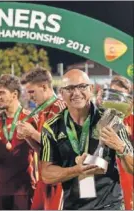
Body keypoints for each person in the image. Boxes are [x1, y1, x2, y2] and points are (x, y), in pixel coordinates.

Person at [40, 69, 133, 210]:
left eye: (82, 86)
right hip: (74, 206)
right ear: (61, 93)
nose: (76, 93)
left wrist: (120, 147)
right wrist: (76, 170)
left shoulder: (110, 118)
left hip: (109, 204)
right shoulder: (51, 127)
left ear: (91, 89)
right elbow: (46, 174)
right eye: (70, 88)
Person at [19, 67, 66, 210]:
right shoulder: (41, 111)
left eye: (32, 92)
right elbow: (42, 148)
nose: (29, 97)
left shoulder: (61, 108)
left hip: (59, 178)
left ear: (44, 87)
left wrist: (33, 133)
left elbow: (61, 145)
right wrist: (27, 136)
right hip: (44, 177)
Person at [0, 74, 38, 210]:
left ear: (14, 94)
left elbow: (41, 152)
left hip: (24, 187)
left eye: (2, 93)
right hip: (1, 189)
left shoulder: (31, 119)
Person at [109, 75, 133, 210]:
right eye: (113, 94)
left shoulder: (131, 120)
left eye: (121, 96)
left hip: (126, 180)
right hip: (100, 181)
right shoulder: (95, 117)